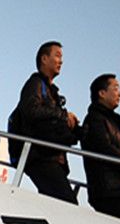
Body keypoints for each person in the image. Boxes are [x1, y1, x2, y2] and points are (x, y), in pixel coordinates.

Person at [11, 41, 80, 203]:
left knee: (55, 206)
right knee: (68, 205)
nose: (61, 61)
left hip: (50, 157)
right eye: (57, 56)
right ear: (44, 58)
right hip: (40, 156)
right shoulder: (35, 84)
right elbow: (31, 110)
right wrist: (63, 115)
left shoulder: (52, 92)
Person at [80, 74, 120, 222]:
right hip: (110, 192)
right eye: (115, 88)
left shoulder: (111, 120)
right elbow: (105, 149)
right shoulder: (95, 119)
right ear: (102, 93)